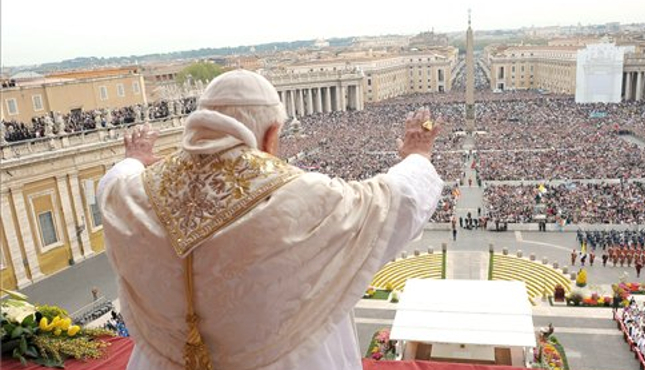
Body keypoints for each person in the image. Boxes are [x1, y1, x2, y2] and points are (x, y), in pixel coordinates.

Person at [99, 70, 444, 370]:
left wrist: (134, 160)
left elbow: (112, 183)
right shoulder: (304, 199)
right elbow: (397, 202)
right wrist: (418, 154)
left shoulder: (132, 194)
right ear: (271, 135)